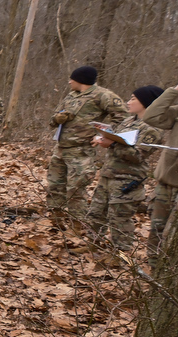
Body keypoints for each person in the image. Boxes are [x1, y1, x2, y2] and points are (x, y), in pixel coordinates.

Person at [79, 85, 163, 264]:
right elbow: (115, 139)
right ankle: (93, 244)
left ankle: (121, 255)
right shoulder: (127, 121)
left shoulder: (152, 128)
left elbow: (139, 155)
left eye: (133, 99)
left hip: (127, 180)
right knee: (96, 212)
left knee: (119, 219)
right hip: (109, 175)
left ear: (146, 103)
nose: (128, 102)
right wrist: (103, 138)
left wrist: (112, 144)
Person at [48, 66, 127, 224]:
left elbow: (123, 119)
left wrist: (102, 136)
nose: (69, 81)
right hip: (61, 148)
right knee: (54, 187)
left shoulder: (103, 95)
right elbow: (52, 120)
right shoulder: (71, 95)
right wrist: (58, 119)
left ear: (81, 80)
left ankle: (77, 227)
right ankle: (56, 221)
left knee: (75, 191)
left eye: (72, 79)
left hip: (81, 151)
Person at [143, 80, 178, 268]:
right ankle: (153, 271)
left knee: (174, 237)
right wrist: (175, 90)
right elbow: (151, 116)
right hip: (166, 182)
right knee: (156, 230)